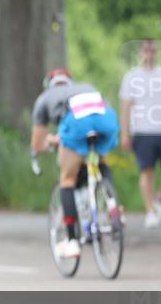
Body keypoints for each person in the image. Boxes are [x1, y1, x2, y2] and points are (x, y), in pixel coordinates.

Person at [31, 69, 120, 259]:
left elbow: (37, 144)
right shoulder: (86, 87)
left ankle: (72, 241)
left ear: (49, 84)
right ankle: (114, 207)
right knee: (99, 161)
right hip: (106, 120)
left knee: (67, 180)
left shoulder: (44, 98)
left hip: (76, 124)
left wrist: (53, 142)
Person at [120, 39, 161, 229]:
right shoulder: (132, 77)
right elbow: (126, 107)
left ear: (157, 52)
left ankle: (160, 198)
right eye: (146, 49)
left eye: (152, 49)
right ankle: (150, 211)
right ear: (140, 52)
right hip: (142, 130)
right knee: (147, 171)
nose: (149, 53)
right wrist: (125, 133)